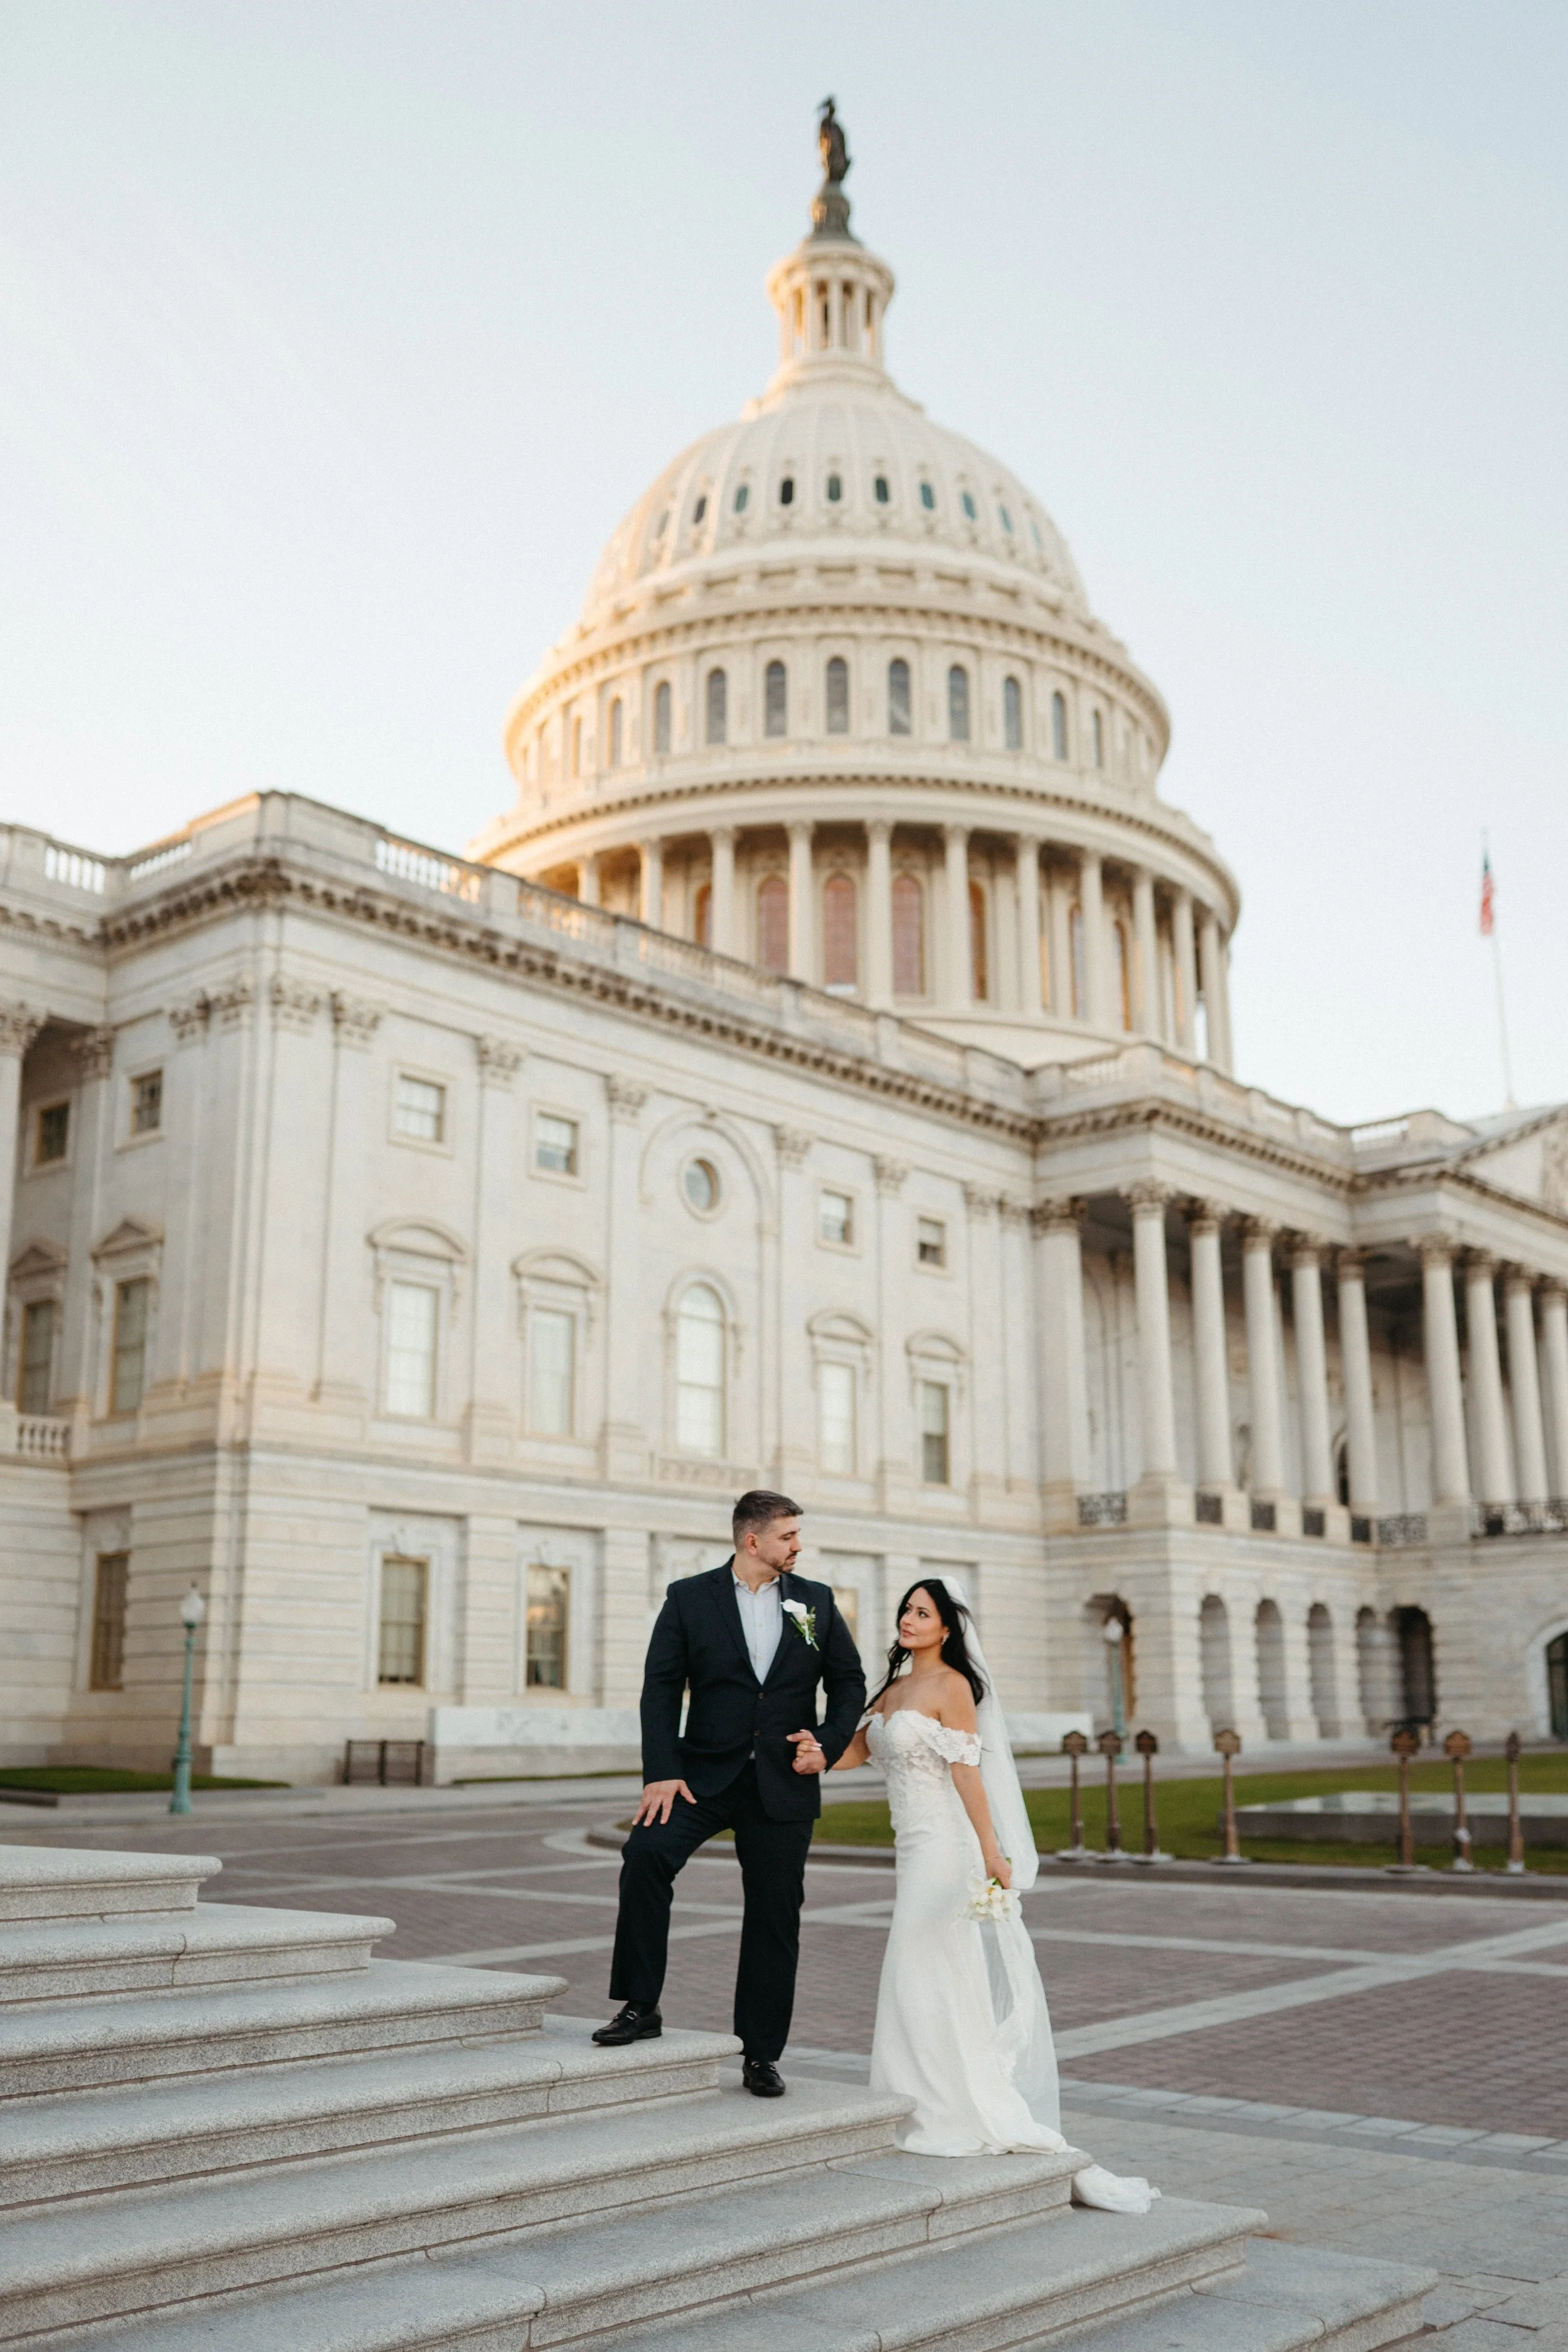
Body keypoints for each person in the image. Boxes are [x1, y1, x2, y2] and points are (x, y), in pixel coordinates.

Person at [833, 1576, 1156, 2210]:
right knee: (922, 1973)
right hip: (911, 1849)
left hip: (947, 1851)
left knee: (921, 1965)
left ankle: (952, 2107)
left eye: (922, 1612)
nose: (908, 1618)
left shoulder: (953, 1687)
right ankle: (919, 2100)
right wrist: (812, 1755)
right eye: (905, 1609)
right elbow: (856, 1751)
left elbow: (967, 1773)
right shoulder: (893, 1687)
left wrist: (990, 1852)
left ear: (947, 1627)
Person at [595, 1490, 866, 2097]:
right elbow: (660, 1689)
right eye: (789, 1536)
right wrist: (660, 1770)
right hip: (700, 1777)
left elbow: (849, 1682)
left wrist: (826, 1741)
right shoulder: (690, 1598)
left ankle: (760, 2054)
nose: (799, 1545)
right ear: (753, 1541)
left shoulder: (816, 1602)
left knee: (774, 1916)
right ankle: (642, 2007)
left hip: (782, 1784)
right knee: (644, 1856)